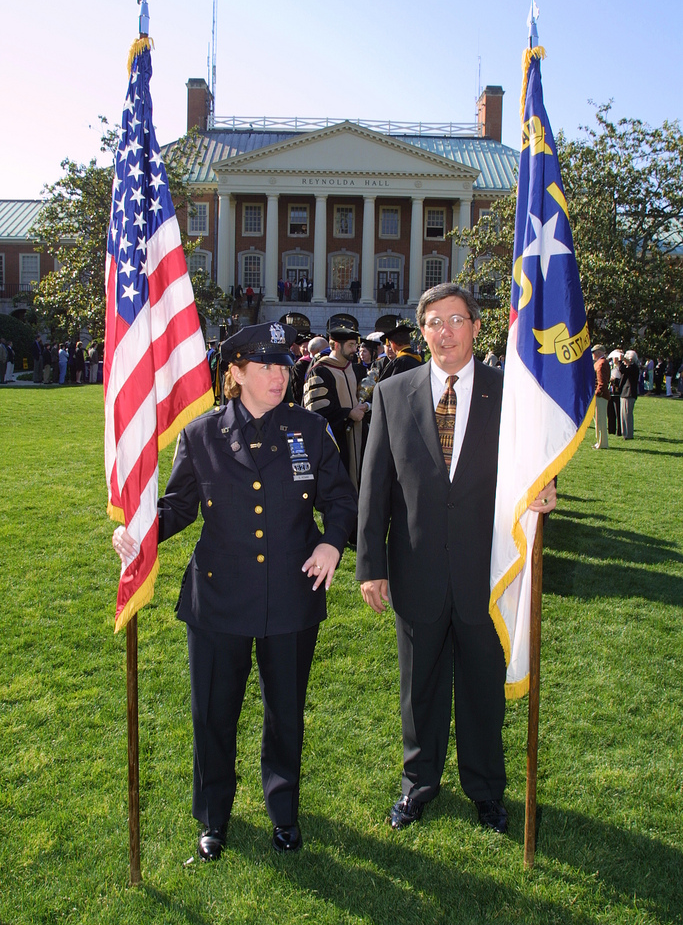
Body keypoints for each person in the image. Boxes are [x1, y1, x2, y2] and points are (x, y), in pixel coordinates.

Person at [113, 322, 357, 861]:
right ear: (237, 373)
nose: (280, 375)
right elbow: (177, 507)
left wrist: (332, 544)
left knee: (285, 712)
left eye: (283, 365)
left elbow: (341, 499)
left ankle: (283, 810)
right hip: (218, 599)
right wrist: (141, 531)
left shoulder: (310, 430)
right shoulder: (201, 435)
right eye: (266, 366)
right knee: (214, 713)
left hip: (292, 595)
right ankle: (213, 815)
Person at [356, 283, 556, 835]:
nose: (445, 333)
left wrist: (547, 489)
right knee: (418, 691)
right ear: (422, 332)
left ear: (475, 326)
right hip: (416, 571)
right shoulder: (392, 394)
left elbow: (533, 467)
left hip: (485, 573)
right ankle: (417, 786)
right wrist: (371, 564)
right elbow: (374, 487)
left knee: (481, 691)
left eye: (456, 320)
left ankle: (486, 791)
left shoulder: (509, 394)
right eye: (434, 323)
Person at [303, 327, 368, 491]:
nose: (355, 350)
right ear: (337, 345)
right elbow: (316, 411)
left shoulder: (358, 369)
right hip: (335, 441)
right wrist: (348, 414)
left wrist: (367, 406)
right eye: (351, 345)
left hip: (361, 438)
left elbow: (370, 398)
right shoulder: (320, 371)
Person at [592, 345, 610, 449]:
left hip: (600, 396)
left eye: (594, 352)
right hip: (600, 395)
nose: (593, 354)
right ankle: (599, 441)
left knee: (600, 420)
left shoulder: (601, 363)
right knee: (598, 420)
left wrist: (597, 393)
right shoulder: (600, 363)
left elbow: (602, 382)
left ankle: (602, 443)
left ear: (599, 352)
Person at [619, 350, 639, 439]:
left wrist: (621, 361)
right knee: (623, 414)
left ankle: (629, 434)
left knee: (627, 414)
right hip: (624, 393)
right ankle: (624, 433)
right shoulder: (629, 367)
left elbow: (622, 370)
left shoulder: (633, 368)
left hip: (629, 393)